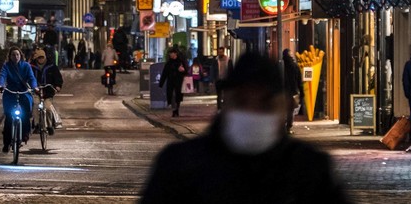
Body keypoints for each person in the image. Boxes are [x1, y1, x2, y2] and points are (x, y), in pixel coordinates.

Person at [140, 52, 349, 203]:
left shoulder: (310, 169)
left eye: (265, 104)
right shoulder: (181, 165)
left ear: (284, 106)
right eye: (242, 102)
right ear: (226, 103)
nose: (252, 111)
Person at [0, 47, 38, 152]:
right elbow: (2, 76)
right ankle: (6, 143)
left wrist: (34, 87)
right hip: (11, 92)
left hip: (23, 91)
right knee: (9, 117)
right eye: (13, 55)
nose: (16, 57)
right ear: (10, 56)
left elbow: (31, 78)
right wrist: (0, 85)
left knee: (26, 112)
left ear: (21, 55)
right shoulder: (6, 66)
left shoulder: (26, 66)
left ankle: (25, 133)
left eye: (17, 55)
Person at [31, 48, 64, 129]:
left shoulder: (52, 66)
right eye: (39, 57)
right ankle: (36, 124)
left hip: (48, 92)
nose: (41, 59)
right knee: (35, 105)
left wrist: (58, 86)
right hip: (36, 91)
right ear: (36, 58)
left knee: (48, 108)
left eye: (42, 57)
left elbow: (58, 77)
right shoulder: (31, 67)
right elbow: (28, 77)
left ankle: (49, 125)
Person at [159, 47, 188, 118]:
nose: (170, 55)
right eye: (169, 53)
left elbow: (186, 71)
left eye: (171, 53)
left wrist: (183, 70)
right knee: (171, 95)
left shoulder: (181, 62)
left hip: (179, 81)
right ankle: (174, 109)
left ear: (175, 54)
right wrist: (161, 83)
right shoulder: (168, 63)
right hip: (171, 82)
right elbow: (164, 73)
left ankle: (176, 110)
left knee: (178, 96)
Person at [282, 49, 302, 132]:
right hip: (292, 91)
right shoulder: (294, 66)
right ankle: (288, 127)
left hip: (282, 91)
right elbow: (299, 80)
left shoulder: (281, 64)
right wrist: (301, 91)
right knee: (290, 110)